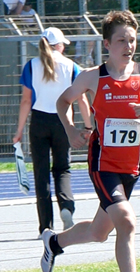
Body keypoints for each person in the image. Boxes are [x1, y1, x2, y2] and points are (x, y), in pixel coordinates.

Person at [40, 10, 140, 272]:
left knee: (101, 232)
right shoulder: (92, 76)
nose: (128, 46)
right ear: (107, 44)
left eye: (133, 40)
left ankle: (54, 242)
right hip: (103, 164)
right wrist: (71, 130)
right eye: (121, 40)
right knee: (126, 220)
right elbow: (62, 101)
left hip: (132, 167)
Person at [13, 27, 91, 236]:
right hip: (63, 120)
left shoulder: (32, 65)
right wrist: (88, 126)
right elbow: (82, 98)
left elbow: (26, 100)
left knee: (41, 173)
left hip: (39, 120)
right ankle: (66, 207)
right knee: (63, 168)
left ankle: (45, 226)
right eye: (63, 44)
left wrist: (19, 130)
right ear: (58, 45)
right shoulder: (71, 65)